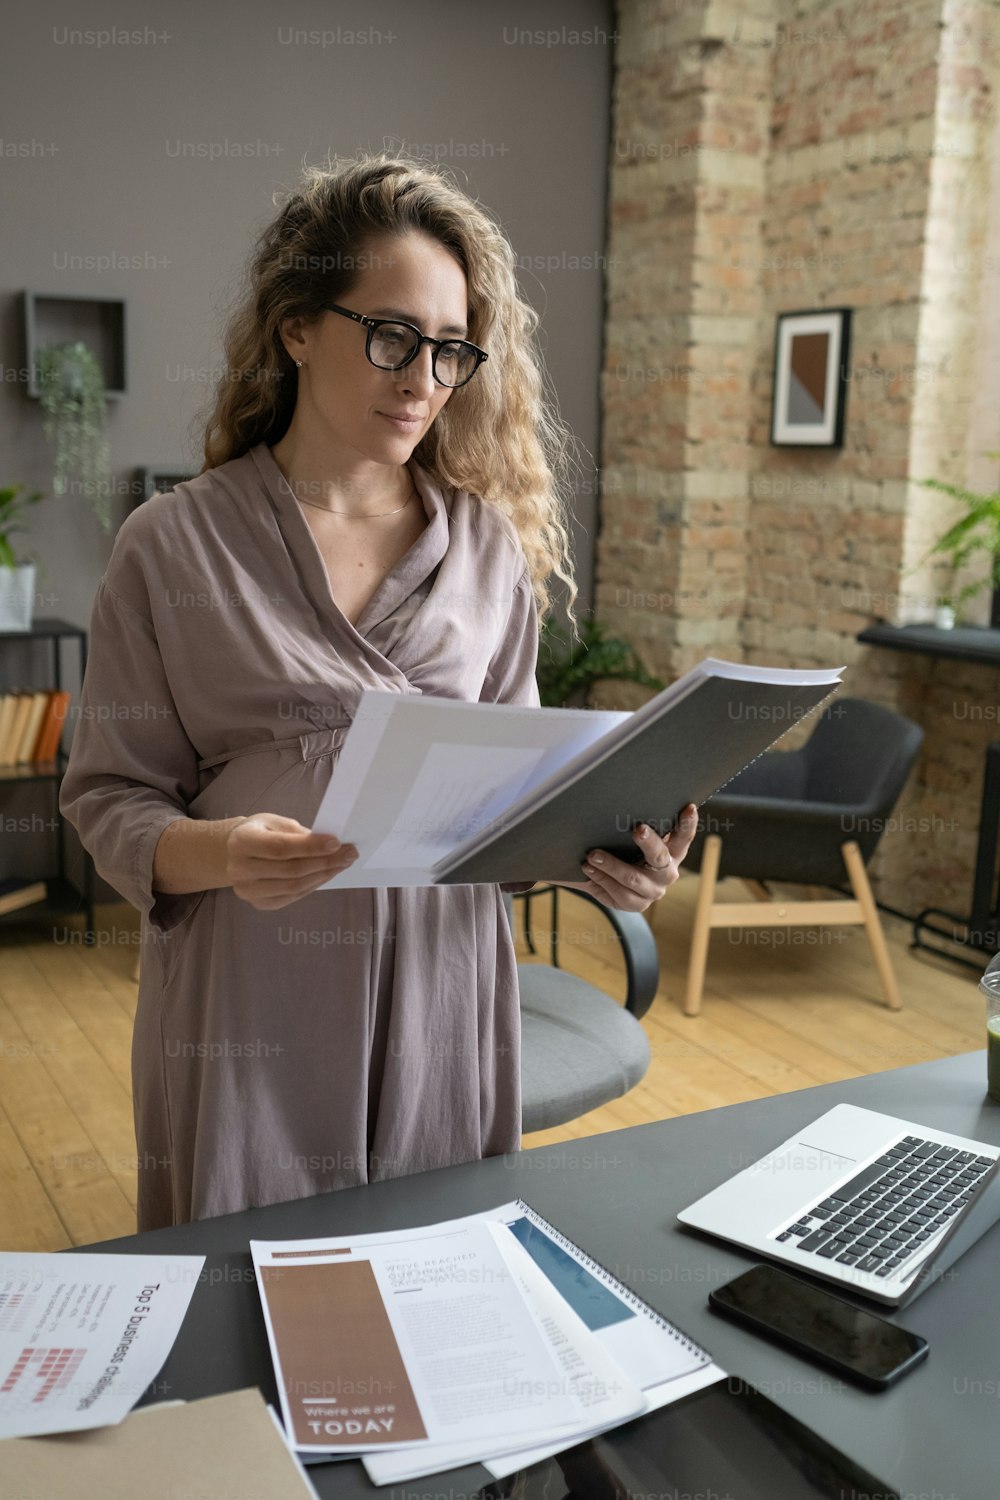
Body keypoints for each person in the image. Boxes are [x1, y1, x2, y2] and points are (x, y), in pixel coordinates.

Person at [60, 154, 698, 1232]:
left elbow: (520, 797)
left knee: (432, 1283)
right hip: (248, 989)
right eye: (394, 337)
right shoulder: (171, 545)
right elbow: (108, 798)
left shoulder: (489, 552)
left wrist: (609, 865)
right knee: (244, 1295)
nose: (424, 379)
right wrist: (221, 853)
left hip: (442, 987)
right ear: (297, 327)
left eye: (450, 350)